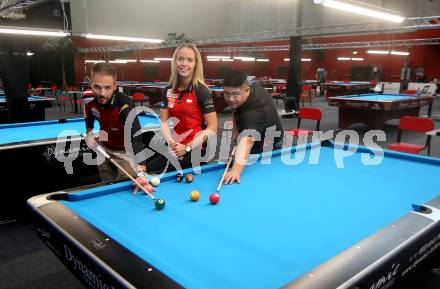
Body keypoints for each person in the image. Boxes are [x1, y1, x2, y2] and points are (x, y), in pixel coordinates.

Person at [84, 63, 154, 193]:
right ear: (91, 84)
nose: (102, 93)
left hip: (125, 153)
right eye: (97, 87)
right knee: (107, 186)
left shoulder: (124, 104)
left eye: (107, 88)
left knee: (125, 190)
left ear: (115, 87)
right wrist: (89, 130)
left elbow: (135, 133)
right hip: (103, 148)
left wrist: (141, 170)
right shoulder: (89, 100)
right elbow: (90, 113)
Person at [147, 43, 217, 173]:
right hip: (175, 147)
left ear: (196, 64)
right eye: (180, 59)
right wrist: (171, 143)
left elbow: (212, 129)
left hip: (195, 150)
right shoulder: (168, 90)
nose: (184, 63)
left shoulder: (201, 91)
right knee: (147, 167)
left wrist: (187, 147)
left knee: (150, 170)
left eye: (189, 60)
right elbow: (163, 121)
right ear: (175, 62)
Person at [223, 70, 283, 184]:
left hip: (269, 147)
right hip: (257, 136)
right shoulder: (249, 87)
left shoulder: (255, 112)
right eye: (227, 93)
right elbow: (234, 106)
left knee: (263, 181)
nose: (230, 98)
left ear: (246, 91)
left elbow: (247, 141)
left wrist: (235, 171)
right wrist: (236, 130)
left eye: (235, 94)